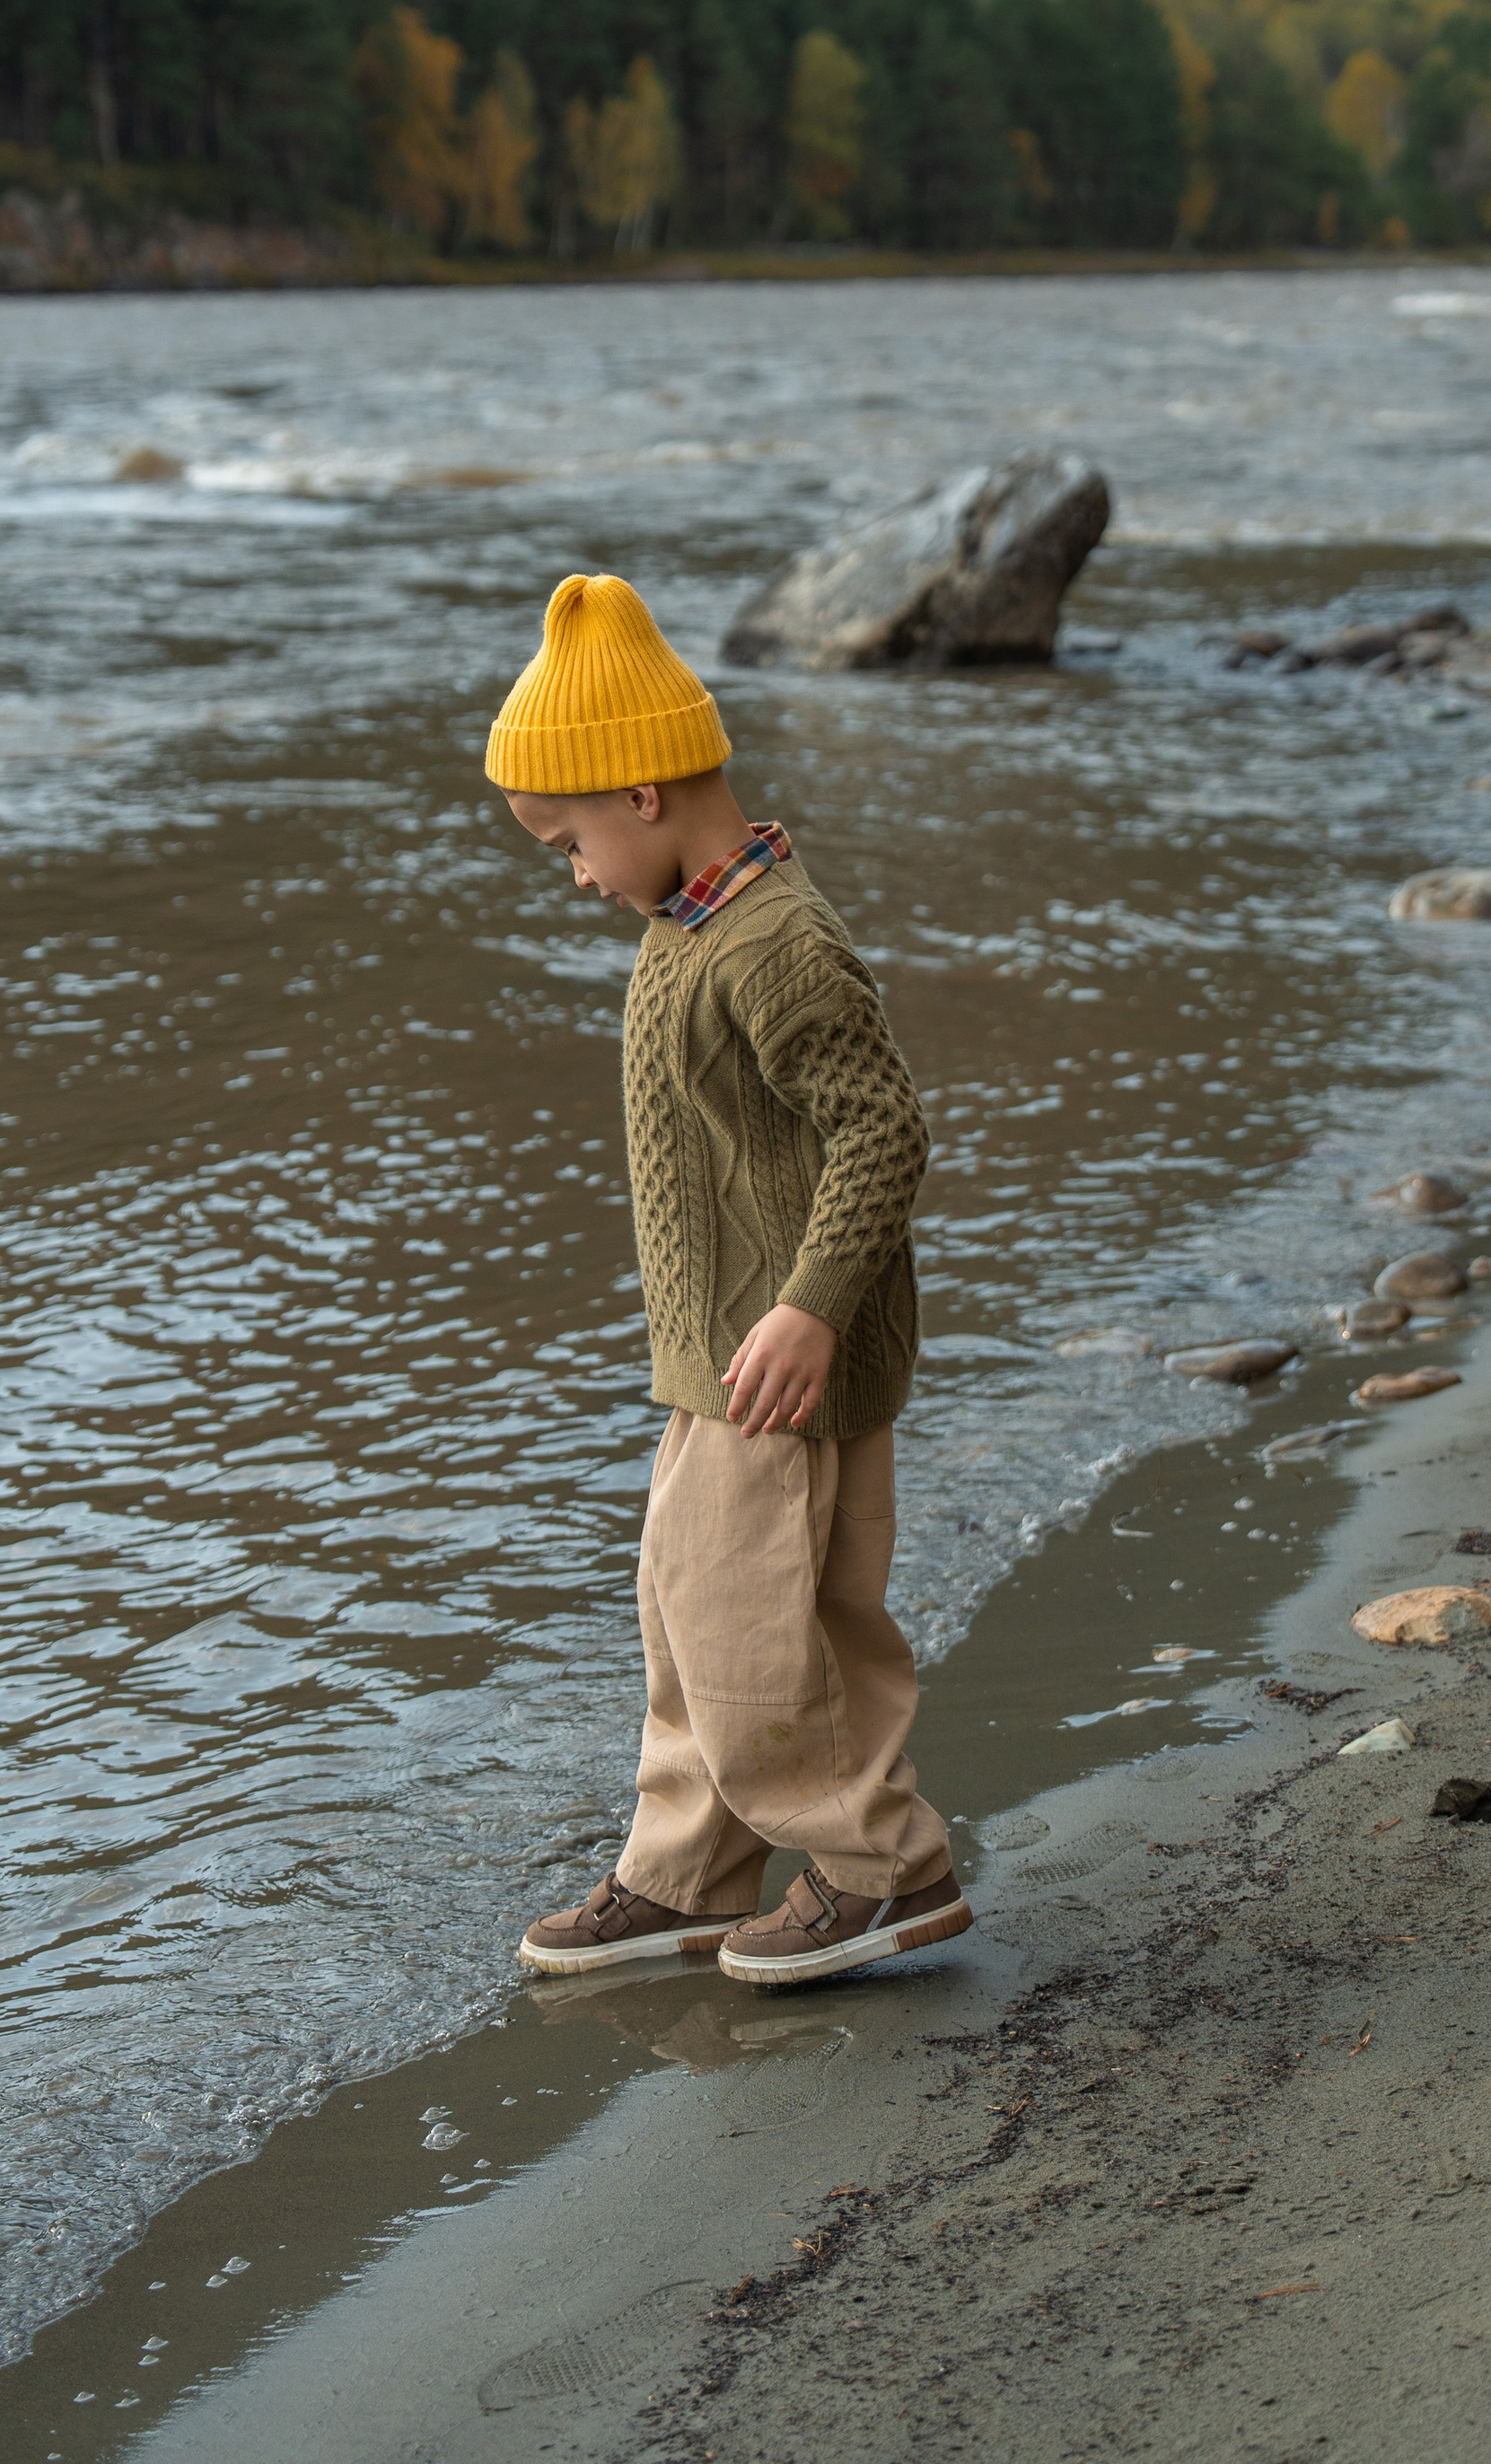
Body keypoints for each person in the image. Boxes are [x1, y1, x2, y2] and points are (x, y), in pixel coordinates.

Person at [486, 571, 970, 1986]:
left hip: (787, 1348)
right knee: (688, 1604)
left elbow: (885, 1130)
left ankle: (886, 1869)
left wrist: (812, 1306)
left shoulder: (777, 944)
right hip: (725, 1350)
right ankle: (692, 1867)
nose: (573, 872)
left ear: (641, 796)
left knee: (761, 1621)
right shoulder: (694, 918)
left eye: (567, 840)